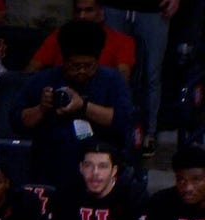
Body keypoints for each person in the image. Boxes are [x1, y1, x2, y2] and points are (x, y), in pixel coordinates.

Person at [12, 20, 133, 191]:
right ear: (64, 61)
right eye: (75, 66)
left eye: (88, 66)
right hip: (50, 166)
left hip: (98, 170)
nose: (82, 71)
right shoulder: (44, 79)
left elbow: (123, 120)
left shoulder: (113, 80)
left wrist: (83, 106)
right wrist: (41, 108)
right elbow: (17, 120)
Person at [100, 0, 182, 157]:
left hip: (153, 9)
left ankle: (148, 133)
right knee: (112, 70)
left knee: (152, 73)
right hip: (114, 6)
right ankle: (111, 127)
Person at [26, 0, 136, 82]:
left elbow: (123, 78)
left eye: (88, 10)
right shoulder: (59, 35)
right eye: (78, 11)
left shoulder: (122, 41)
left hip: (99, 98)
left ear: (101, 12)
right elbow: (32, 68)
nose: (82, 16)